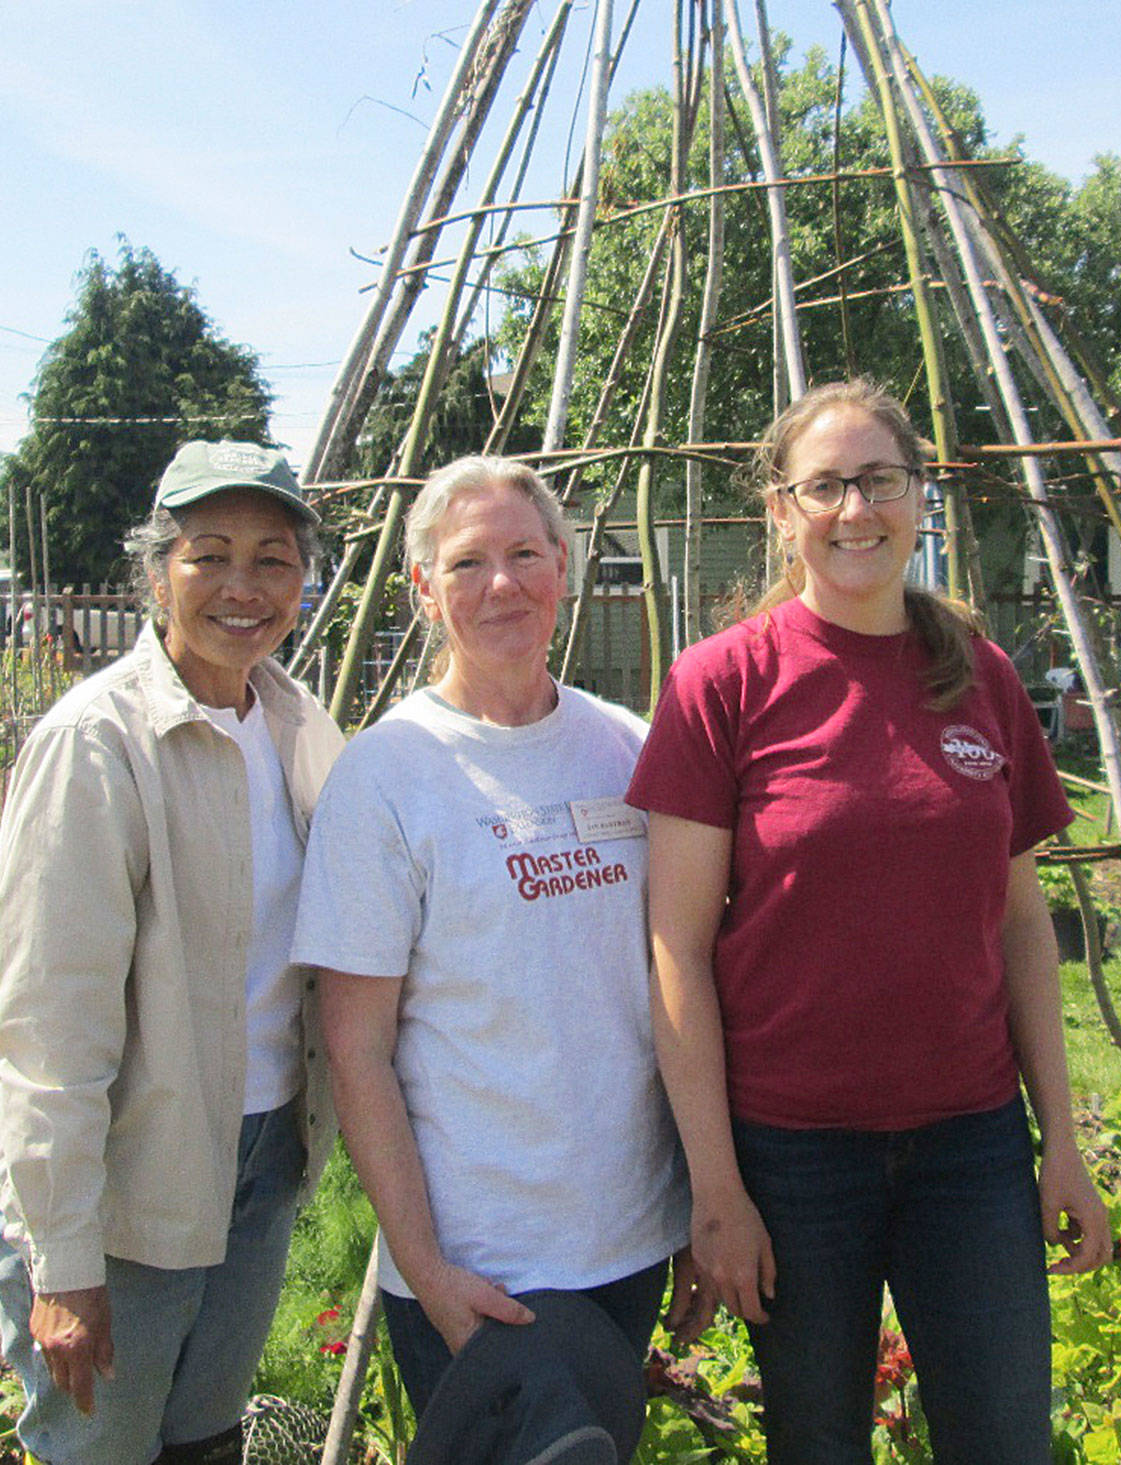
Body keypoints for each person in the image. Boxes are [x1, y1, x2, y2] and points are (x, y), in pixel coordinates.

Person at [626, 380, 1112, 1465]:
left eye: (878, 481)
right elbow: (675, 950)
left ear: (917, 496)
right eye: (825, 486)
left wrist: (1061, 1145)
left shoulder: (977, 674)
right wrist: (715, 1188)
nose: (854, 511)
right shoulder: (722, 684)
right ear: (779, 509)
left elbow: (1020, 924)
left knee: (1001, 1441)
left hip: (969, 1145)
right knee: (816, 1445)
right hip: (792, 1157)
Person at [293, 455, 689, 1458]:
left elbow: (670, 989)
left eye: (524, 553)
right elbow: (356, 1046)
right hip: (478, 1267)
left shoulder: (628, 749)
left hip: (627, 1237)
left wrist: (691, 1207)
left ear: (564, 564)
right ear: (422, 587)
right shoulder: (386, 776)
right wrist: (424, 1268)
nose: (501, 585)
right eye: (467, 562)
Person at [0, 441, 345, 1465]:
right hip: (128, 1174)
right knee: (99, 1450)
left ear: (302, 578)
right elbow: (50, 1018)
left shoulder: (293, 722)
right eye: (209, 555)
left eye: (273, 558)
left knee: (203, 1442)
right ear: (156, 574)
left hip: (261, 1153)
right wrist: (60, 1257)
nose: (244, 587)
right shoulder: (98, 742)